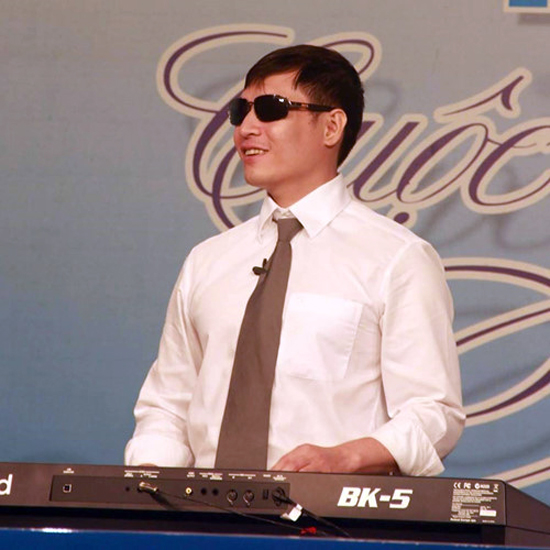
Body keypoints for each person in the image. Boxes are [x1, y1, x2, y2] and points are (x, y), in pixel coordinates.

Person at [125, 45, 465, 476]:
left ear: (332, 126)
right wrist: (148, 482)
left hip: (331, 513)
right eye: (240, 111)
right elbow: (167, 407)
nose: (247, 128)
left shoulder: (398, 258)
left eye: (271, 109)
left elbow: (433, 413)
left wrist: (344, 457)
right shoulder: (207, 261)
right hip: (201, 514)